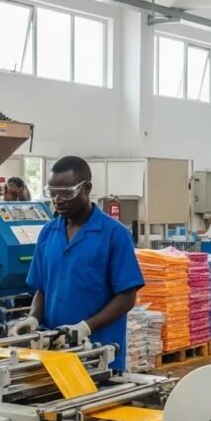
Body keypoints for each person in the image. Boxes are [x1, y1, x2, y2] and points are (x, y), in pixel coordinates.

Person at [8, 156, 144, 371]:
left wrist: (85, 328)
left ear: (87, 188)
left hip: (100, 354)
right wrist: (33, 318)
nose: (58, 200)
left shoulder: (114, 234)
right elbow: (43, 288)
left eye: (66, 193)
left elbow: (127, 297)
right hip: (55, 352)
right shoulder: (48, 233)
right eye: (52, 194)